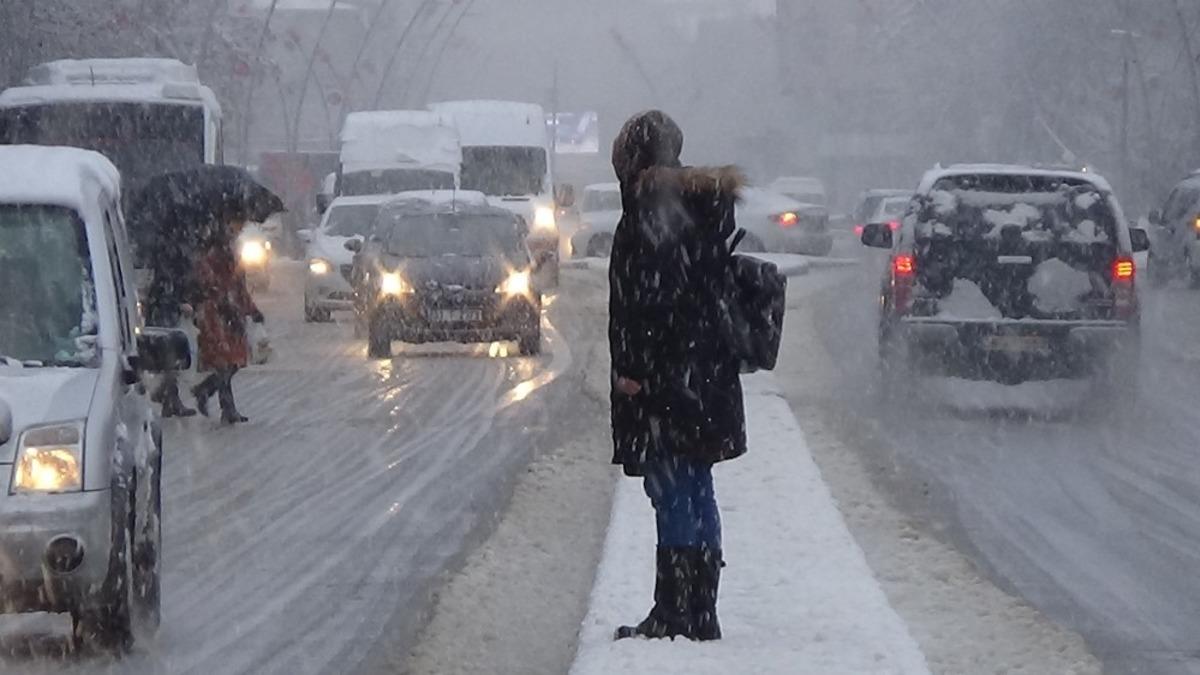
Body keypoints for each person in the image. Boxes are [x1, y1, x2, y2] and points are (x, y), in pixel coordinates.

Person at [608, 110, 747, 641]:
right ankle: (702, 609)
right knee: (697, 485)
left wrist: (635, 371)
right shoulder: (704, 206)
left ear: (634, 157)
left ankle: (673, 610)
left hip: (665, 378)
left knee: (671, 489)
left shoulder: (650, 213)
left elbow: (648, 301)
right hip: (705, 372)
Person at [191, 219, 263, 425]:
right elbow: (208, 283)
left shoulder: (231, 257)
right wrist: (221, 299)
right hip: (216, 314)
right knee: (225, 361)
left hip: (231, 314)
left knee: (234, 361)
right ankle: (225, 405)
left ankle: (207, 391)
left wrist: (251, 310)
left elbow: (239, 288)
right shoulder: (211, 257)